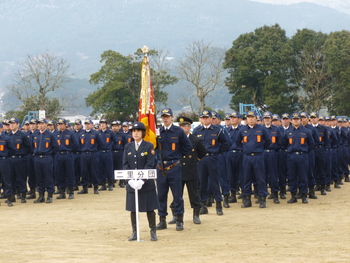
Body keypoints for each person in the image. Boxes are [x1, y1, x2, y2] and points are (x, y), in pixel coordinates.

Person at [156, 108, 192, 231]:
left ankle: (179, 220)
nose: (165, 118)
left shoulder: (178, 131)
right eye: (163, 116)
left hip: (174, 167)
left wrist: (177, 157)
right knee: (161, 195)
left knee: (177, 195)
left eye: (167, 116)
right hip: (161, 167)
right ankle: (162, 220)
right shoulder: (158, 131)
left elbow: (188, 146)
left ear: (172, 117)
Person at [123, 122, 158, 241]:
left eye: (138, 131)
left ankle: (153, 231)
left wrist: (142, 180)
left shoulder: (149, 146)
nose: (135, 133)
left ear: (143, 133)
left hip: (146, 183)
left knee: (149, 208)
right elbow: (125, 164)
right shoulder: (128, 146)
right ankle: (135, 231)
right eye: (133, 131)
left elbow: (150, 163)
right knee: (133, 208)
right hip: (132, 183)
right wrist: (130, 180)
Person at [168, 116, 207, 225]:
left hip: (191, 171)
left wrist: (195, 160)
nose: (183, 128)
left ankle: (196, 215)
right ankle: (176, 215)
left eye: (185, 126)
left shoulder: (195, 139)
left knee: (194, 195)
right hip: (178, 171)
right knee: (177, 195)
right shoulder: (175, 138)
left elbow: (203, 152)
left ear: (189, 127)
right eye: (181, 126)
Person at [193, 110, 230, 215]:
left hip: (213, 158)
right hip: (201, 160)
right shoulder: (196, 131)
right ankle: (203, 205)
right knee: (202, 183)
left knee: (215, 182)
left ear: (210, 119)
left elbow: (225, 144)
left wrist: (217, 152)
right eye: (202, 117)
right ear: (200, 119)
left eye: (207, 117)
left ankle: (219, 205)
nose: (205, 119)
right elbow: (193, 146)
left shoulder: (217, 130)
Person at [235, 110, 271, 208]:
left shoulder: (262, 129)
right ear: (246, 119)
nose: (250, 119)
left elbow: (268, 141)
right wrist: (245, 149)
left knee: (260, 178)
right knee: (246, 178)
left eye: (252, 117)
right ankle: (247, 200)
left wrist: (260, 149)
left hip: (258, 156)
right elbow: (238, 142)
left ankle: (262, 199)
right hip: (246, 157)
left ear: (256, 118)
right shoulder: (242, 130)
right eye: (249, 117)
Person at [280, 113, 315, 204]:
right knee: (292, 177)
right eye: (294, 119)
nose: (296, 120)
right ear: (291, 120)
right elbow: (283, 143)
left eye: (297, 119)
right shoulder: (288, 132)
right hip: (291, 156)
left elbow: (311, 144)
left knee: (303, 176)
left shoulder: (306, 131)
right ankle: (293, 196)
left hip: (302, 156)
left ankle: (304, 195)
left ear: (300, 120)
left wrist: (304, 151)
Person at [32, 118, 59, 204]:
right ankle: (41, 195)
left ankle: (50, 195)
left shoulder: (50, 135)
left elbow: (56, 148)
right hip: (37, 158)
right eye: (39, 124)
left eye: (42, 123)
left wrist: (49, 155)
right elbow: (32, 146)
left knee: (48, 177)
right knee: (39, 178)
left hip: (47, 158)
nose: (40, 125)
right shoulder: (35, 135)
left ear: (46, 125)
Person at [55, 118, 79, 199]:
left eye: (62, 124)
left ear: (65, 125)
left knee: (70, 173)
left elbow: (76, 145)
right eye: (59, 124)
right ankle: (62, 192)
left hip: (68, 155)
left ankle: (71, 191)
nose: (60, 126)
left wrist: (69, 150)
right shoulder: (56, 134)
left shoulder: (70, 133)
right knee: (60, 174)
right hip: (59, 156)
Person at [8, 117, 31, 203]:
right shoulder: (7, 135)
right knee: (11, 178)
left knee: (21, 178)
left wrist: (22, 154)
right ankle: (12, 195)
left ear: (18, 124)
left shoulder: (23, 135)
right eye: (10, 123)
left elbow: (28, 147)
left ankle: (23, 195)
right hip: (10, 159)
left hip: (20, 159)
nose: (12, 125)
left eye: (14, 123)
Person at [78, 119, 103, 195]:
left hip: (93, 154)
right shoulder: (81, 133)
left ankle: (95, 187)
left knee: (94, 171)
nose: (87, 125)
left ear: (92, 125)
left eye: (88, 124)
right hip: (84, 154)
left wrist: (95, 152)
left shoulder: (96, 133)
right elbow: (79, 144)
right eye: (86, 124)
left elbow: (101, 144)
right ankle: (84, 188)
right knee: (84, 171)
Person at [97, 118, 118, 191]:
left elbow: (116, 141)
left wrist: (110, 146)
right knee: (101, 169)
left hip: (108, 152)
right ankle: (103, 184)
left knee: (109, 168)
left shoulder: (110, 132)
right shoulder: (98, 133)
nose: (102, 125)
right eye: (101, 124)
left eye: (104, 123)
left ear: (106, 125)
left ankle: (110, 184)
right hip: (100, 152)